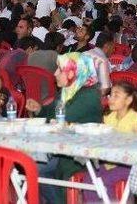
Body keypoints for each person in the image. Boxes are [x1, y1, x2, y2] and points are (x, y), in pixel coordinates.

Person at [26, 52, 102, 204]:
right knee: (30, 165)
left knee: (34, 168)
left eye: (60, 69)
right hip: (61, 148)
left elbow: (60, 121)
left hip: (78, 154)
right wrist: (39, 109)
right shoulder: (68, 91)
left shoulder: (89, 96)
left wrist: (45, 116)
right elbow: (52, 114)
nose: (54, 73)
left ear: (72, 72)